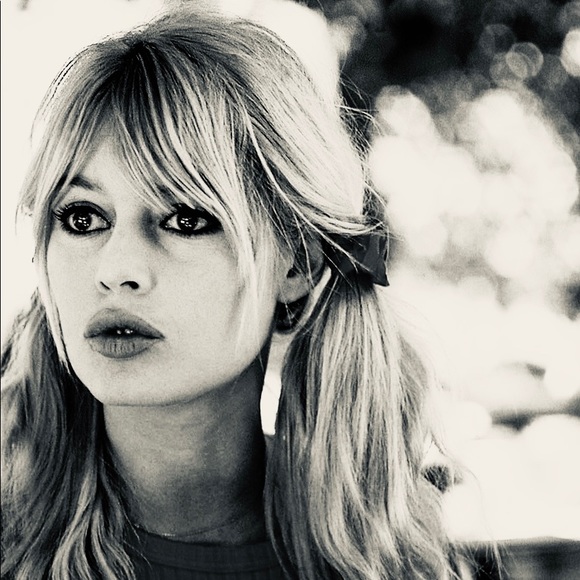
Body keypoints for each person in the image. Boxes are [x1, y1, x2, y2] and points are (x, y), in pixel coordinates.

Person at [1, 7, 458, 579]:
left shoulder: (386, 557)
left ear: (297, 263)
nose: (116, 270)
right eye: (83, 217)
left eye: (185, 219)